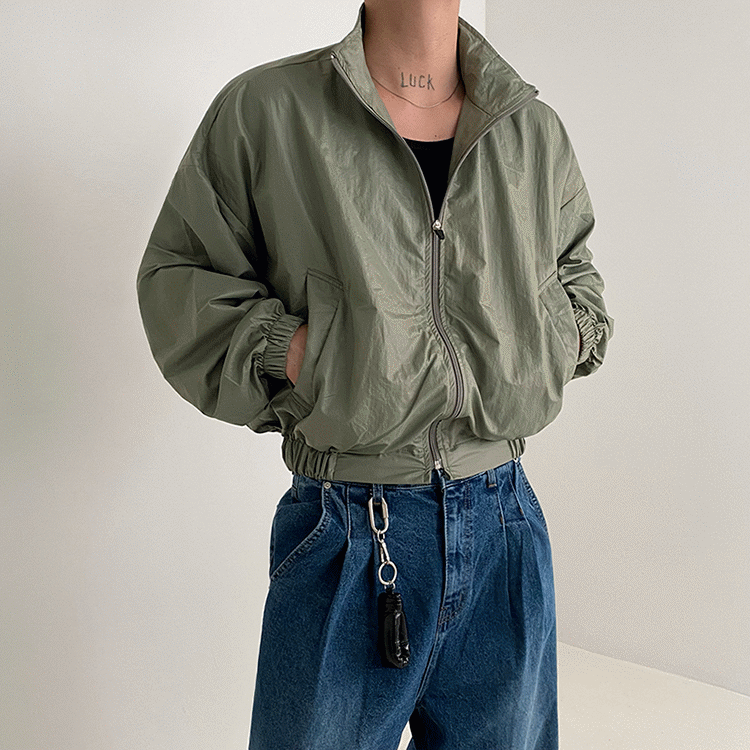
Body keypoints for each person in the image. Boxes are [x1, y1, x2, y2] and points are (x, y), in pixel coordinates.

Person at [136, 1, 614, 747]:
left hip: (505, 529)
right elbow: (179, 281)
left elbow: (576, 278)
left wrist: (543, 344)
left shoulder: (530, 129)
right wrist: (301, 353)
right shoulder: (269, 111)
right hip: (350, 531)